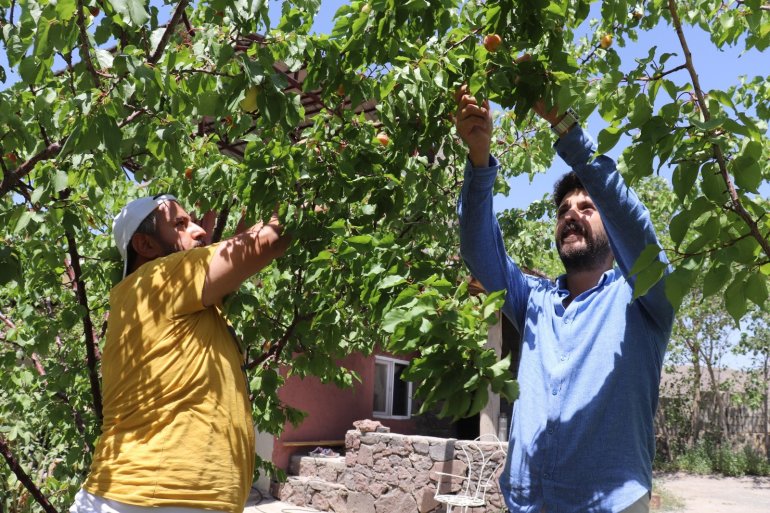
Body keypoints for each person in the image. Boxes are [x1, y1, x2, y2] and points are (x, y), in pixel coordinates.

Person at [455, 82, 674, 513]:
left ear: (610, 228)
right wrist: (479, 159)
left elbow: (631, 219)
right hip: (526, 503)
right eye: (563, 211)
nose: (572, 213)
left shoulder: (644, 297)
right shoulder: (533, 301)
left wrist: (565, 125)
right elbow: (480, 251)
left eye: (587, 208)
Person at [70, 194, 290, 513]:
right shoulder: (160, 278)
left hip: (143, 497)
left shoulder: (152, 295)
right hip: (155, 497)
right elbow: (266, 241)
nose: (200, 231)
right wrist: (316, 182)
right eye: (180, 224)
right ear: (146, 246)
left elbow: (239, 247)